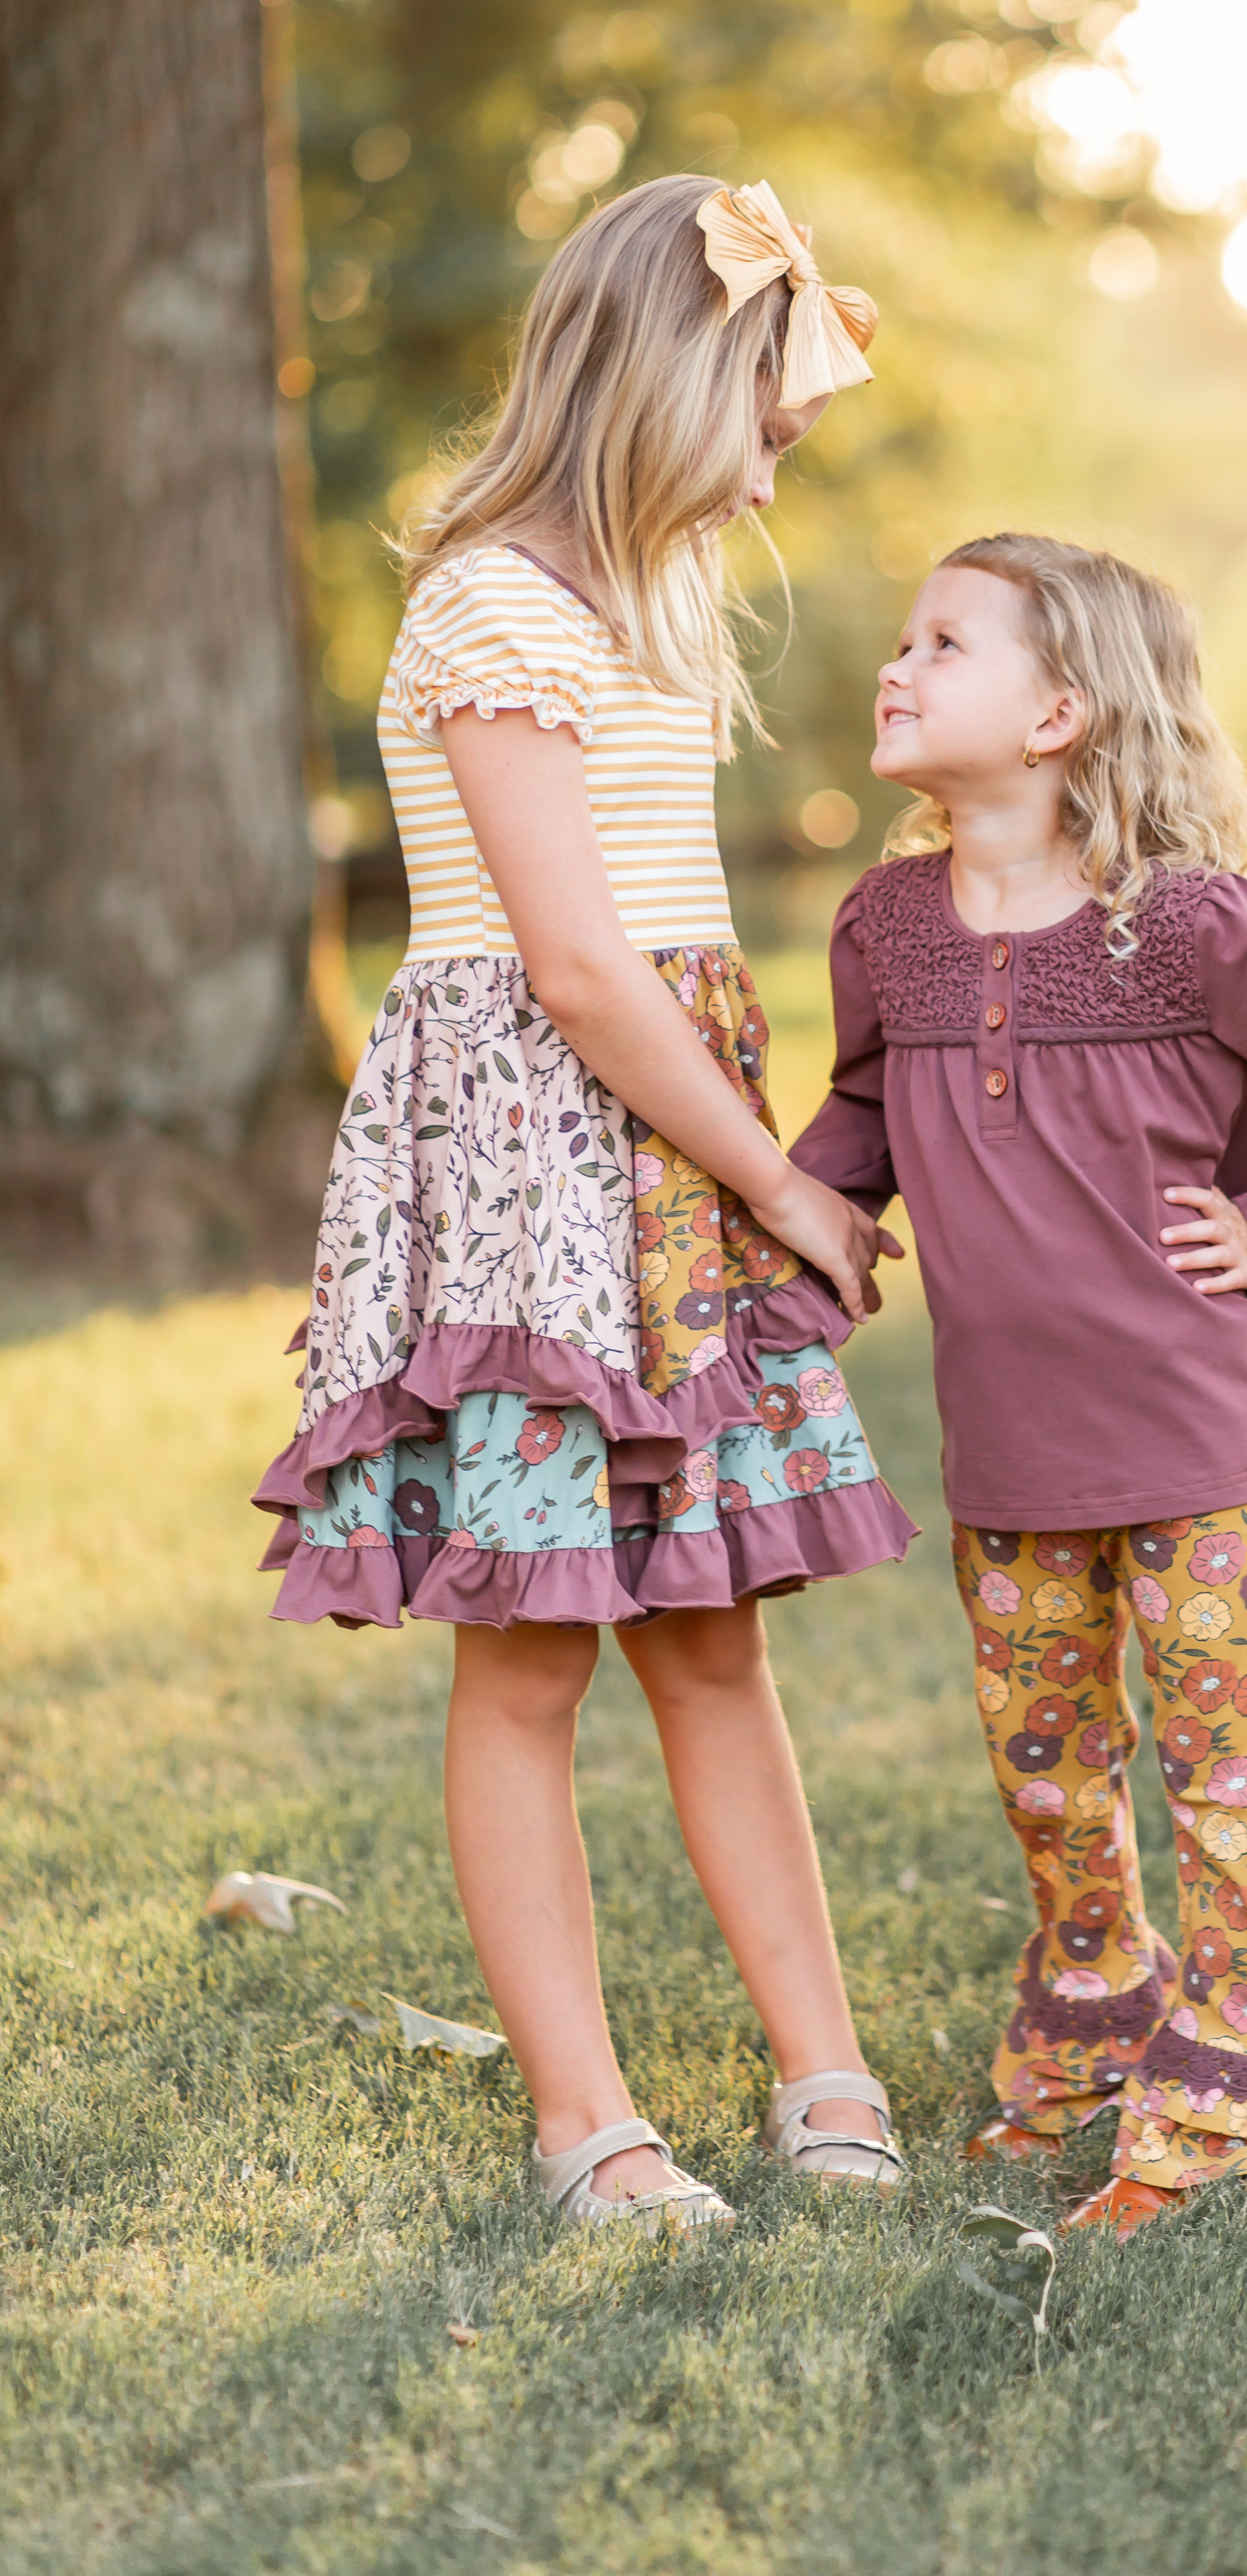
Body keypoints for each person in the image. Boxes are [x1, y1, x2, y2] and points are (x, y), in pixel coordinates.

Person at [254, 177, 915, 2234]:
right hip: (543, 1174)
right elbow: (579, 971)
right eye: (769, 408)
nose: (788, 452)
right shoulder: (490, 606)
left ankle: (825, 2072)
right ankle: (586, 2124)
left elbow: (671, 952)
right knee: (531, 1657)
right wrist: (783, 1184)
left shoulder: (663, 587)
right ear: (662, 377)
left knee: (713, 1636)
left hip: (661, 1133)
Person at [789, 532, 1247, 2237]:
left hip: (1198, 1438)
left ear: (1063, 710)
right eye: (904, 634)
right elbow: (859, 1123)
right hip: (1006, 1454)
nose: (899, 665)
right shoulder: (886, 929)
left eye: (947, 642)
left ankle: (1244, 2098)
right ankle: (1094, 2044)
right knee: (1049, 1770)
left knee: (1230, 1778)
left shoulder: (1192, 925)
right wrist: (798, 1240)